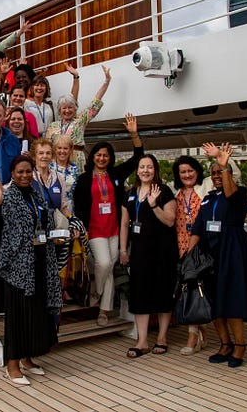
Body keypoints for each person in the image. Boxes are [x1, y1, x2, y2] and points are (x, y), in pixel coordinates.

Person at [0, 156, 62, 385]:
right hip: (17, 266)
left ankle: (27, 358)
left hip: (38, 261)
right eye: (20, 172)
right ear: (12, 174)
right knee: (17, 317)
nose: (25, 176)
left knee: (34, 313)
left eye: (28, 171)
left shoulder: (36, 195)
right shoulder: (6, 196)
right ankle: (12, 364)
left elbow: (43, 223)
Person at [189, 143, 247, 368]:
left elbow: (230, 192)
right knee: (214, 299)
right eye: (214, 172)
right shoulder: (208, 198)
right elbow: (197, 228)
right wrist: (189, 257)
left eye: (221, 172)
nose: (217, 176)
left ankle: (240, 344)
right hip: (211, 252)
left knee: (232, 297)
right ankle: (224, 343)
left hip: (232, 249)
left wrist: (224, 164)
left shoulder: (238, 193)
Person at [74, 114, 143, 326]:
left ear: (110, 158)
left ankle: (103, 311)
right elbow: (78, 206)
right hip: (94, 229)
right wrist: (78, 227)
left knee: (110, 267)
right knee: (103, 263)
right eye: (98, 155)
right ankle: (97, 290)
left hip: (115, 229)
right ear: (92, 157)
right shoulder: (84, 179)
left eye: (105, 155)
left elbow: (138, 157)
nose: (102, 158)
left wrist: (134, 134)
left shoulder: (116, 174)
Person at [120, 154, 178, 358]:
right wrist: (123, 250)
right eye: (142, 167)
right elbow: (125, 223)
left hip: (162, 250)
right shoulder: (131, 193)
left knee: (162, 290)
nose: (146, 170)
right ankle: (142, 340)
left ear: (155, 170)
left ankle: (162, 337)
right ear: (137, 170)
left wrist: (154, 205)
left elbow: (170, 221)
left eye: (150, 167)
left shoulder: (164, 191)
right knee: (140, 293)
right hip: (140, 251)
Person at [172, 155, 208, 355]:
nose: (187, 175)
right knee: (188, 290)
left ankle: (193, 336)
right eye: (183, 172)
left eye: (190, 171)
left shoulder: (206, 187)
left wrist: (220, 158)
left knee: (197, 289)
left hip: (200, 247)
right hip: (180, 247)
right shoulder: (175, 191)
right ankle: (200, 330)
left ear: (197, 171)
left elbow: (233, 174)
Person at [46, 65, 112, 172]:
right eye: (64, 108)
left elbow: (95, 102)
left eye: (70, 107)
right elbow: (48, 146)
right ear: (59, 110)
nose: (67, 110)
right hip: (57, 160)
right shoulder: (52, 126)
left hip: (76, 159)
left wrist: (106, 82)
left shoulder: (80, 120)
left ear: (75, 108)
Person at [49, 134, 79, 214]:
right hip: (53, 208)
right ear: (55, 150)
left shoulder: (75, 169)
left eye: (65, 148)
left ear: (70, 150)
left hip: (71, 208)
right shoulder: (49, 167)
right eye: (59, 148)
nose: (62, 151)